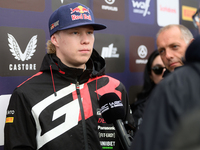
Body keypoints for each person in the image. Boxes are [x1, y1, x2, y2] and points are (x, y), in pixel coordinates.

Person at [4, 3, 134, 150]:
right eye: (75, 33)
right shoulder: (26, 93)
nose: (86, 40)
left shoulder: (114, 88)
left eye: (90, 32)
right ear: (55, 39)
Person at [130, 35, 200, 150]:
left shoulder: (176, 85)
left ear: (189, 44)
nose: (168, 56)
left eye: (175, 47)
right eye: (158, 69)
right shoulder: (165, 92)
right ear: (150, 75)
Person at [131, 50, 165, 133]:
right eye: (158, 69)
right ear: (150, 75)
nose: (164, 74)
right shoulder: (140, 109)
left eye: (168, 69)